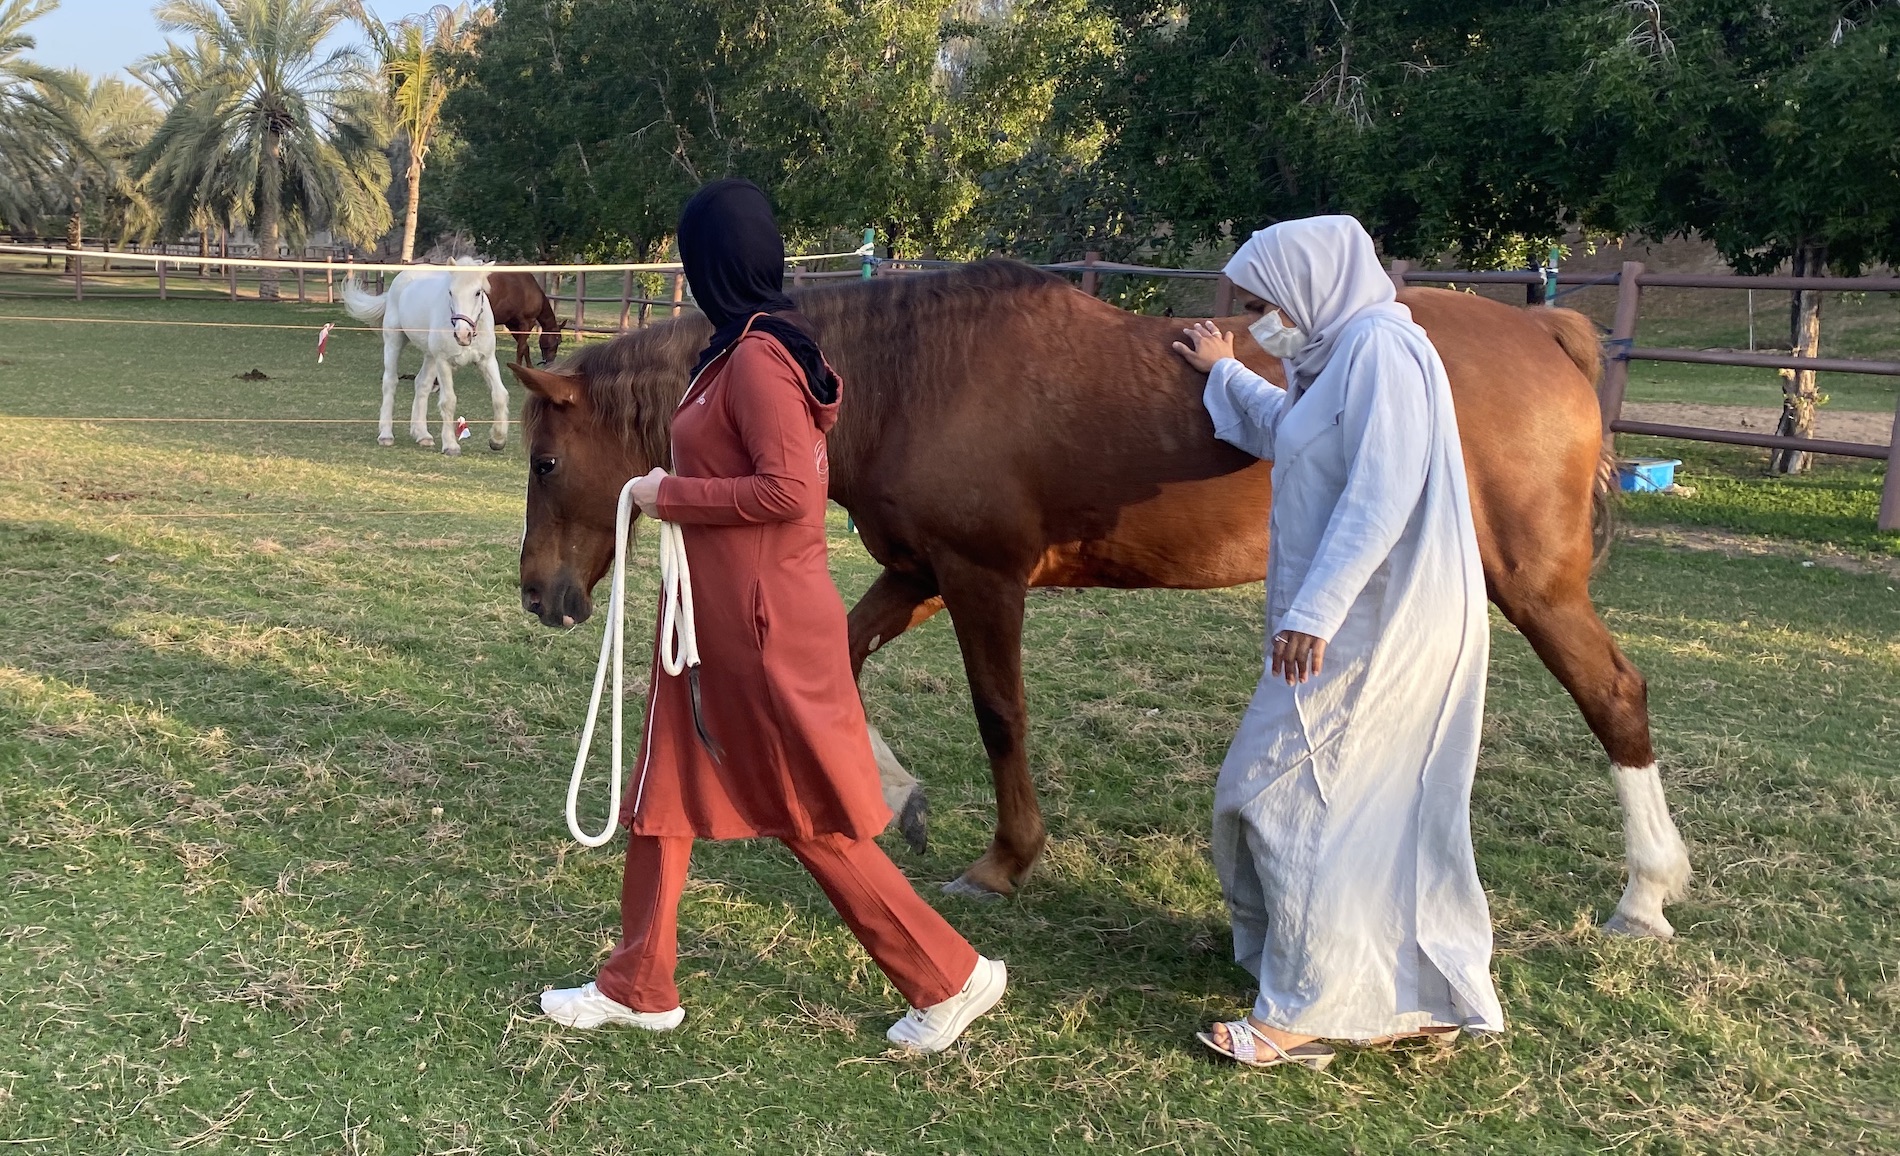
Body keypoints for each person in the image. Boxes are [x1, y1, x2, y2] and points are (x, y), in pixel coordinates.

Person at [537, 179, 1005, 1053]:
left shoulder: (757, 360)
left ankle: (949, 975)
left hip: (758, 628)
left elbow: (791, 489)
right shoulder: (733, 349)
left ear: (709, 263)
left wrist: (665, 492)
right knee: (661, 794)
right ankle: (640, 981)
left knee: (801, 814)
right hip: (705, 620)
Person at [1170, 215, 1505, 1070]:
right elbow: (1296, 431)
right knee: (1370, 806)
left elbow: (1381, 492)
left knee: (1291, 794)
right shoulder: (1345, 352)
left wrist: (1313, 612)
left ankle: (1302, 1011)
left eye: (1264, 302)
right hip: (1360, 617)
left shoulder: (1384, 352)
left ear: (1312, 284)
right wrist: (1229, 372)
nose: (1259, 318)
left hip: (1375, 622)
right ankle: (1405, 995)